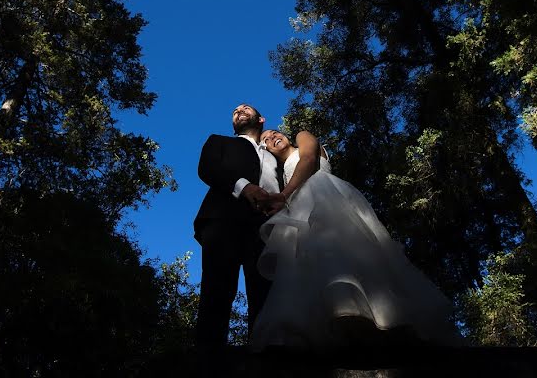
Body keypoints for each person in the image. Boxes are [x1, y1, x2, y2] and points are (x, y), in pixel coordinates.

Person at [250, 129, 461, 350]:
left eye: (275, 133)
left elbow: (310, 159)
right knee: (308, 263)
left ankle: (360, 312)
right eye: (265, 140)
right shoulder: (281, 172)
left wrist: (283, 196)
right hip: (299, 213)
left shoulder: (303, 137)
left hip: (324, 195)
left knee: (337, 248)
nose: (272, 138)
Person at [193, 104, 281, 357]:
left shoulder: (275, 155)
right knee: (216, 291)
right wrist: (244, 187)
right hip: (223, 220)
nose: (238, 110)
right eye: (235, 110)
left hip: (267, 229)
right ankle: (207, 358)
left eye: (245, 108)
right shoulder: (218, 141)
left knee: (265, 294)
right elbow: (207, 169)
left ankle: (263, 355)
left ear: (261, 119)